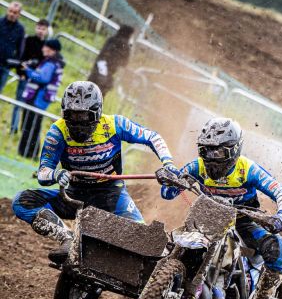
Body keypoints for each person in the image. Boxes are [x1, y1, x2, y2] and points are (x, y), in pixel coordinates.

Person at [12, 80, 179, 263]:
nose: (78, 122)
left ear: (97, 112)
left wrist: (168, 164)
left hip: (111, 196)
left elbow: (152, 137)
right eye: (72, 115)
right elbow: (43, 172)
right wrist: (56, 174)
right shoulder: (57, 131)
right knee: (22, 201)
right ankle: (67, 238)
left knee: (144, 243)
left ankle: (169, 266)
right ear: (64, 112)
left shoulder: (114, 124)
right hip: (74, 197)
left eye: (83, 116)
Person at [157, 118, 282, 299]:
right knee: (172, 244)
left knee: (277, 247)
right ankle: (158, 288)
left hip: (243, 222)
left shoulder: (247, 169)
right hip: (206, 219)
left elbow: (280, 191)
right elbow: (168, 193)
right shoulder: (197, 166)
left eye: (218, 152)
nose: (211, 157)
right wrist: (168, 179)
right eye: (206, 150)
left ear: (234, 150)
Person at [17, 38, 65, 158]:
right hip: (40, 100)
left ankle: (28, 153)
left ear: (52, 50)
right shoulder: (53, 62)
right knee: (32, 127)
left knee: (30, 127)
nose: (43, 48)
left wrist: (28, 71)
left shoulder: (50, 63)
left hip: (37, 99)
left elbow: (43, 78)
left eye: (45, 46)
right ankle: (29, 153)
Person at [11, 18, 50, 133]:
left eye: (43, 29)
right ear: (35, 27)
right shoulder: (28, 40)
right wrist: (21, 73)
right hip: (25, 77)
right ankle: (13, 128)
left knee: (29, 106)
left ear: (47, 31)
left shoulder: (46, 46)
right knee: (18, 102)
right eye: (39, 28)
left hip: (36, 81)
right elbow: (21, 57)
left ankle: (25, 130)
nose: (40, 31)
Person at [88, 24, 134, 98]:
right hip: (107, 74)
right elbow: (125, 63)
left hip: (98, 70)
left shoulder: (112, 40)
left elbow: (103, 55)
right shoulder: (125, 46)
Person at [0, 2, 25, 93]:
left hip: (5, 65)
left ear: (19, 14)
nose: (11, 14)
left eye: (15, 12)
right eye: (10, 11)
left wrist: (13, 62)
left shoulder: (20, 29)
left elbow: (20, 49)